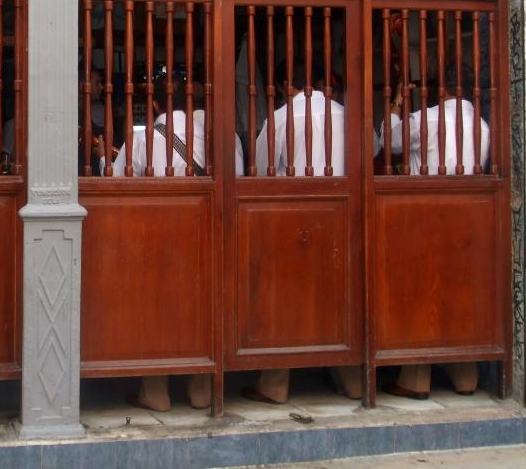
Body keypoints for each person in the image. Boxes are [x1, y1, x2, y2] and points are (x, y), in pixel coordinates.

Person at [98, 77, 244, 411]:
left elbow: (115, 183)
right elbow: (238, 181)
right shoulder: (222, 136)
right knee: (202, 303)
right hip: (206, 231)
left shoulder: (141, 139)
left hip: (154, 237)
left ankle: (155, 390)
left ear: (154, 104)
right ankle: (201, 389)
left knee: (155, 305)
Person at [242, 75, 363, 404]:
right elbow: (373, 152)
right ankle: (353, 379)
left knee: (286, 297)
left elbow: (262, 168)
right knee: (341, 295)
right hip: (344, 213)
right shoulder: (349, 113)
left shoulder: (281, 118)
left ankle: (275, 383)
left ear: (286, 86)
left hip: (291, 216)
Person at [381, 65, 491, 400]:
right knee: (459, 293)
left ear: (437, 90)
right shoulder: (482, 126)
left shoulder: (425, 120)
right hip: (470, 218)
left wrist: (398, 102)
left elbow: (388, 141)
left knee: (421, 294)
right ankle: (466, 375)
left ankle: (416, 378)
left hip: (424, 217)